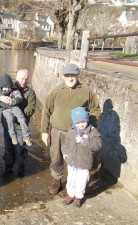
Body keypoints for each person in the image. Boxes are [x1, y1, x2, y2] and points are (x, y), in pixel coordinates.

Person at [41, 63, 101, 194]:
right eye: (67, 75)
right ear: (63, 76)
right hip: (56, 131)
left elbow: (95, 110)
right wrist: (45, 131)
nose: (70, 78)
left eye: (73, 75)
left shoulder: (86, 90)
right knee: (56, 157)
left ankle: (73, 183)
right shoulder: (56, 91)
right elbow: (47, 111)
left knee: (75, 157)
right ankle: (57, 180)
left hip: (76, 133)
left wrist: (88, 128)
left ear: (78, 75)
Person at [0, 69, 36, 177]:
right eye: (22, 78)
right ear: (16, 78)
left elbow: (31, 109)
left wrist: (18, 115)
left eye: (26, 79)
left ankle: (20, 168)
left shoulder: (30, 93)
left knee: (19, 149)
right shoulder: (8, 87)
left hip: (20, 127)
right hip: (7, 125)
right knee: (8, 148)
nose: (24, 81)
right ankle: (8, 168)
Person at [62, 107, 101, 207]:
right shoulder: (71, 131)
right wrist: (65, 152)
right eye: (78, 123)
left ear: (87, 119)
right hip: (71, 161)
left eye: (83, 121)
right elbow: (66, 144)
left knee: (82, 180)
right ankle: (70, 195)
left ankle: (78, 197)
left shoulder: (93, 132)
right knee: (70, 179)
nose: (81, 124)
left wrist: (84, 141)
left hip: (84, 162)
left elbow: (97, 145)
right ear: (74, 123)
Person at [0, 73, 32, 146]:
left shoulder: (15, 89)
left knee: (22, 118)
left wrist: (12, 101)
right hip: (5, 109)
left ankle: (26, 137)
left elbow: (19, 98)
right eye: (5, 87)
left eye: (9, 87)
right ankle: (13, 137)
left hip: (15, 107)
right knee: (10, 119)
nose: (7, 89)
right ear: (1, 87)